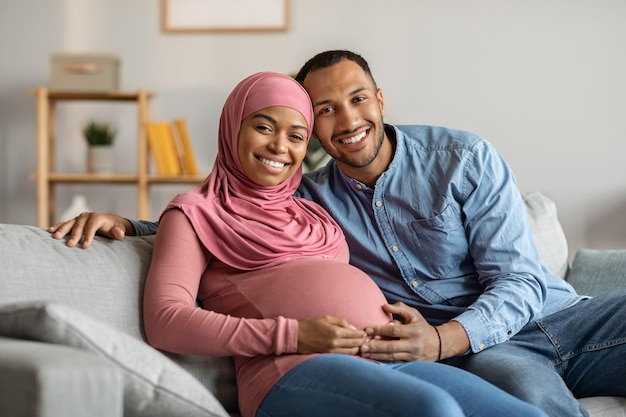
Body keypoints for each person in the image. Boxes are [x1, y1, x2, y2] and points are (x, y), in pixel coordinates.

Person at [49, 50, 626, 417]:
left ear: (380, 99)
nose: (347, 120)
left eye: (357, 99)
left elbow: (522, 280)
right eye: (325, 110)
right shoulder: (286, 199)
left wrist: (445, 340)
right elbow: (219, 215)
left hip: (519, 324)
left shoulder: (455, 160)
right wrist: (129, 226)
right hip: (457, 357)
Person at [139, 71, 547, 417]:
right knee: (433, 410)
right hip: (291, 369)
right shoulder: (193, 214)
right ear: (232, 128)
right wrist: (292, 336)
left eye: (296, 135)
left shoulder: (310, 208)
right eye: (263, 127)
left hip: (388, 360)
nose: (280, 147)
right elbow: (165, 321)